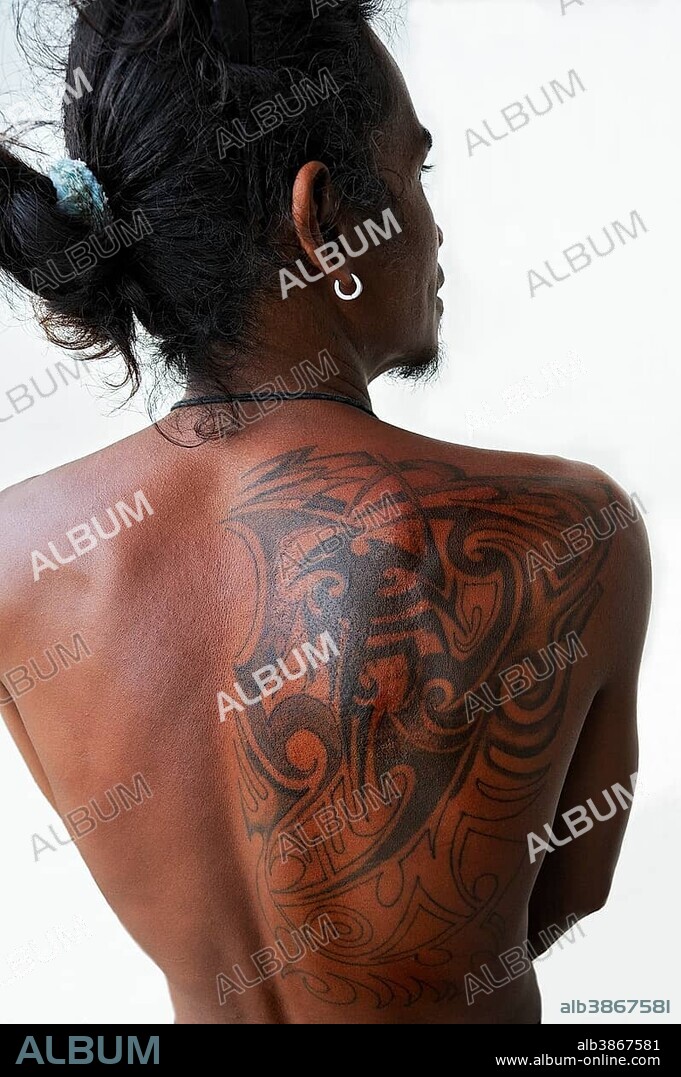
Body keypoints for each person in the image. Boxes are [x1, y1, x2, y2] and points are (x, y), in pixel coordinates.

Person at [0, 0, 650, 1024]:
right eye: (416, 173)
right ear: (325, 219)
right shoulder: (561, 530)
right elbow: (566, 891)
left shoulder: (18, 558)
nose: (434, 226)